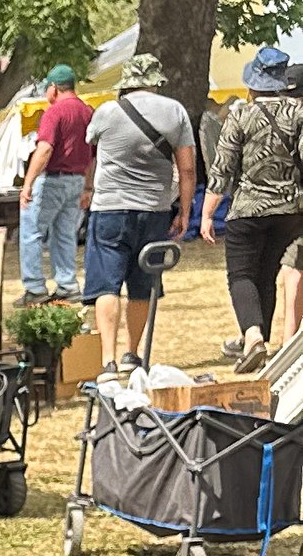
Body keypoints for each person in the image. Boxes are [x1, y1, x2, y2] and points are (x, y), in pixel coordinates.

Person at [83, 52, 197, 375]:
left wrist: (88, 189)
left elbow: (91, 150)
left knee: (106, 285)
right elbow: (187, 170)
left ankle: (107, 358)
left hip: (109, 210)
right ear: (156, 82)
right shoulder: (175, 112)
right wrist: (185, 212)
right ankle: (132, 353)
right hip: (155, 211)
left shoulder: (107, 112)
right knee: (143, 284)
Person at [202, 48, 303, 372]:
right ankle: (260, 345)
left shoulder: (240, 115)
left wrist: (206, 213)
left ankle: (254, 336)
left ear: (253, 83)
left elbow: (222, 168)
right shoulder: (298, 114)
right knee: (267, 275)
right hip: (289, 210)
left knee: (241, 275)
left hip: (248, 208)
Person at [19, 62, 94, 299]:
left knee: (32, 232)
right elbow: (92, 154)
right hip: (77, 181)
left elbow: (45, 149)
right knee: (64, 234)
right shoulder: (87, 112)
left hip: (52, 179)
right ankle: (67, 285)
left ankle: (35, 287)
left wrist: (28, 183)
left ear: (54, 88)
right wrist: (88, 187)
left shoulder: (54, 112)